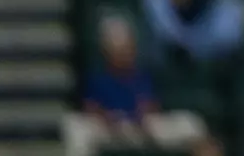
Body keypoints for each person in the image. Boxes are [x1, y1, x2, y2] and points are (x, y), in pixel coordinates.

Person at [62, 15, 209, 156]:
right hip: (110, 129)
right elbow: (90, 107)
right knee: (74, 126)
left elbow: (152, 105)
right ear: (107, 52)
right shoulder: (98, 77)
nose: (125, 53)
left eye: (127, 48)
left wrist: (143, 114)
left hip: (142, 127)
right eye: (119, 49)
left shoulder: (142, 75)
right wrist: (108, 117)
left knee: (191, 122)